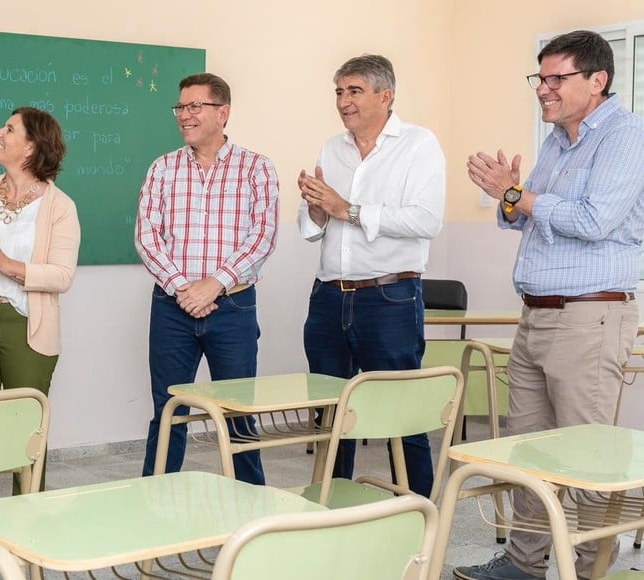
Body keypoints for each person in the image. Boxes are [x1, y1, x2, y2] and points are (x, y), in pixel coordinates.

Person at [454, 30, 644, 580]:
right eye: (540, 78)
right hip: (536, 313)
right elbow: (518, 214)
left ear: (597, 80)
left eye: (557, 78)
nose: (544, 89)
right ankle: (523, 564)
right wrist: (511, 196)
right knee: (530, 453)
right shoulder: (558, 141)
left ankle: (588, 569)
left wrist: (518, 196)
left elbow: (592, 220)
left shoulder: (627, 136)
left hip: (590, 315)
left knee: (586, 457)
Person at [297, 54, 446, 497]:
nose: (344, 101)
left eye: (354, 91)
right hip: (328, 298)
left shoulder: (419, 145)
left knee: (403, 415)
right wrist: (316, 209)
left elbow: (426, 221)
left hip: (389, 298)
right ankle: (331, 506)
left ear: (386, 95)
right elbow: (312, 229)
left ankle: (419, 515)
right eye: (339, 92)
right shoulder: (331, 147)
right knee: (331, 414)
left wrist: (349, 210)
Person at [135, 73, 279, 485]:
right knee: (168, 410)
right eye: (181, 107)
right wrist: (183, 287)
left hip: (233, 305)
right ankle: (151, 506)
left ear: (223, 113)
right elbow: (147, 236)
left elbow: (263, 237)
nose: (185, 115)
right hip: (171, 307)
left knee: (236, 413)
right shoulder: (162, 169)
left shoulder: (257, 168)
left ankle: (252, 509)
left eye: (195, 106)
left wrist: (213, 283)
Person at [0, 107, 80, 502]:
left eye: (8, 129)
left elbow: (62, 276)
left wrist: (4, 263)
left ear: (31, 146)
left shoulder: (61, 207)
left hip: (27, 326)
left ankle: (27, 526)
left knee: (26, 434)